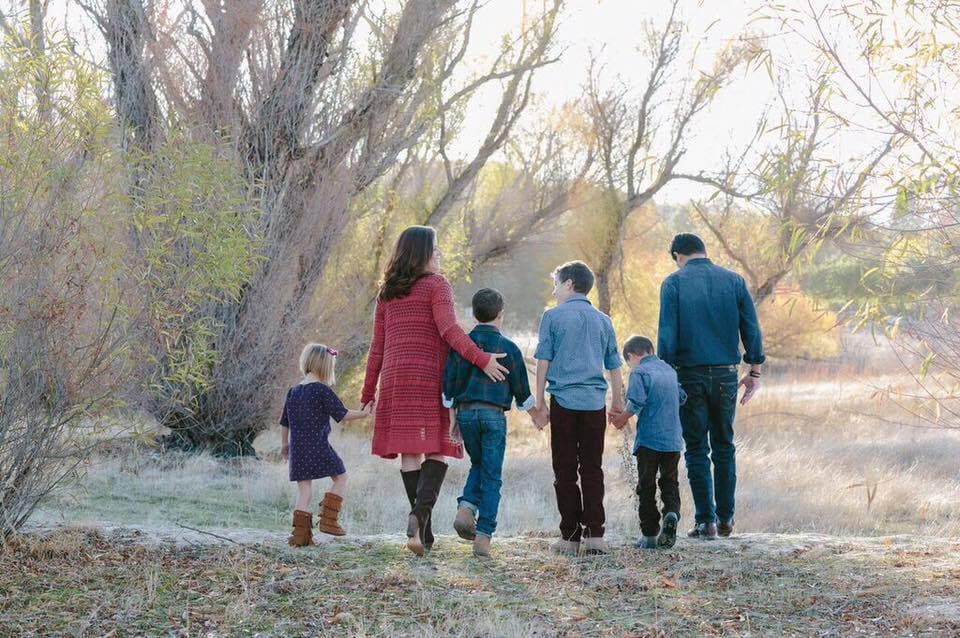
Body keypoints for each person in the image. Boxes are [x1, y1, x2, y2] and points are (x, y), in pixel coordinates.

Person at [361, 226, 508, 556]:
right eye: (435, 249)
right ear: (422, 252)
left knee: (409, 453)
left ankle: (422, 534)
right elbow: (450, 331)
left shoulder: (387, 293)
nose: (439, 254)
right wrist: (482, 359)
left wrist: (368, 391)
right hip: (429, 378)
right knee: (436, 449)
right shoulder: (436, 285)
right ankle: (418, 516)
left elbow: (377, 347)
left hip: (395, 380)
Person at [657, 233, 765, 540]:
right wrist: (754, 371)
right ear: (704, 251)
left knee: (696, 448)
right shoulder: (734, 281)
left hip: (688, 375)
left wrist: (666, 375)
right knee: (724, 445)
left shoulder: (673, 283)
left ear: (677, 255)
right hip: (725, 375)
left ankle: (706, 522)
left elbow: (667, 334)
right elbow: (751, 328)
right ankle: (726, 518)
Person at [532, 260, 624, 556]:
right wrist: (618, 402)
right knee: (592, 468)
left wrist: (539, 403)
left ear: (569, 284)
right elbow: (614, 365)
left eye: (556, 284)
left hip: (564, 402)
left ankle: (570, 537)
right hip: (595, 404)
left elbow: (543, 361)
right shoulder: (603, 320)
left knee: (565, 469)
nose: (554, 290)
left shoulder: (552, 316)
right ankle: (595, 535)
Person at [442, 288, 535, 557]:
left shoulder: (462, 346)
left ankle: (466, 508)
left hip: (466, 413)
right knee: (492, 475)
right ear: (501, 314)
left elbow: (448, 387)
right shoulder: (509, 348)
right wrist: (537, 414)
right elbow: (522, 392)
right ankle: (483, 535)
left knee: (478, 464)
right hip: (493, 415)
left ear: (474, 313)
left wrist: (453, 417)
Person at [280, 343, 371, 547]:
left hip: (297, 450)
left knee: (304, 492)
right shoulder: (321, 390)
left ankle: (300, 537)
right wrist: (363, 413)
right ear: (325, 366)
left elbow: (284, 422)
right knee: (341, 477)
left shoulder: (293, 391)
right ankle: (328, 521)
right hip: (318, 447)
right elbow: (342, 414)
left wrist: (284, 445)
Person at [609, 336, 686, 549]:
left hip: (649, 440)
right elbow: (682, 397)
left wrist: (621, 418)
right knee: (670, 481)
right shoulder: (670, 371)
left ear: (631, 356)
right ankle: (671, 513)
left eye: (629, 362)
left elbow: (636, 401)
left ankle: (649, 535)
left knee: (646, 486)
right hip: (673, 439)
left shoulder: (639, 372)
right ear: (651, 349)